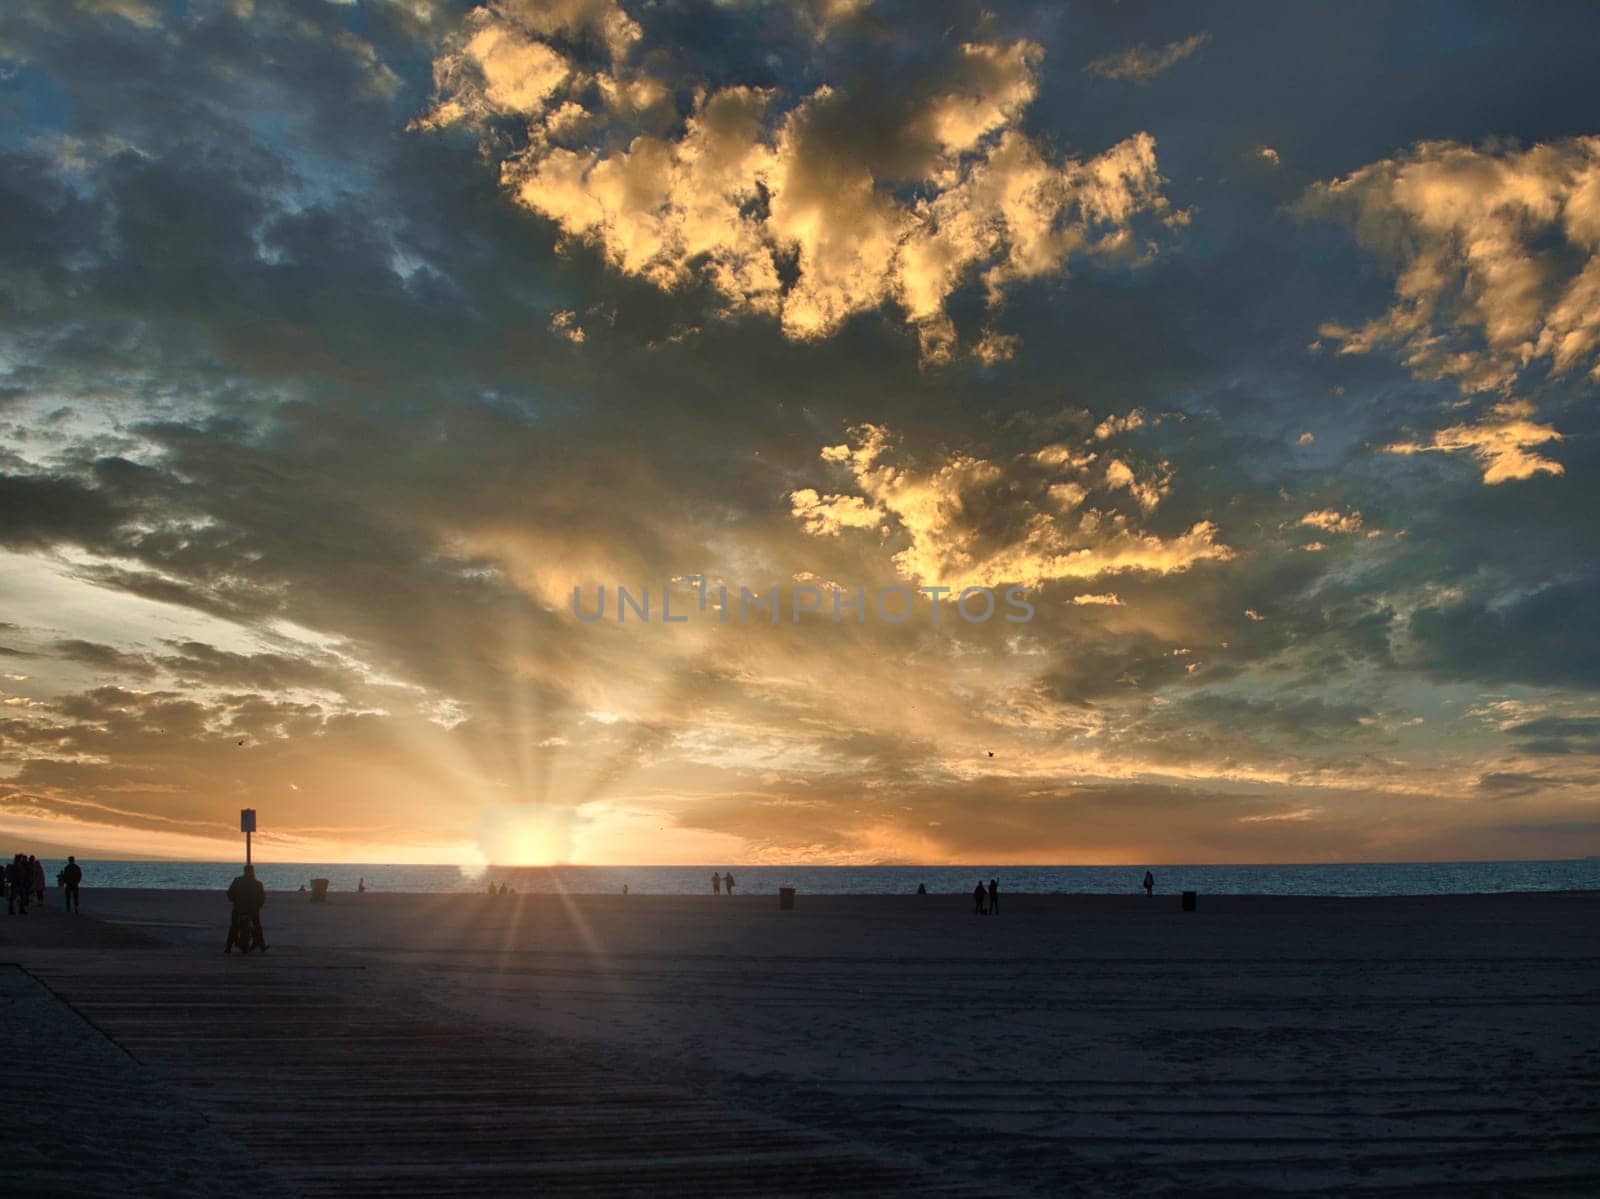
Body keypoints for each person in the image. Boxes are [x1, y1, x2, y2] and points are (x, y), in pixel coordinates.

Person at [224, 864, 268, 954]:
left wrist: (235, 901)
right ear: (252, 871)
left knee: (234, 927)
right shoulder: (258, 884)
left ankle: (228, 947)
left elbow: (230, 894)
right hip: (253, 910)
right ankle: (262, 946)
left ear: (244, 871)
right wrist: (258, 906)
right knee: (257, 926)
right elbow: (262, 899)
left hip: (238, 908)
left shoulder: (237, 881)